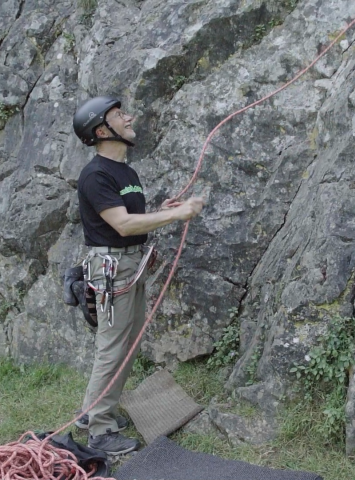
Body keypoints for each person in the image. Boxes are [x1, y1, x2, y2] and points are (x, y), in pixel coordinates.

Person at [72, 96, 204, 455]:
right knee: (112, 347)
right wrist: (178, 216)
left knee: (126, 343)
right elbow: (123, 224)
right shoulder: (95, 174)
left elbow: (131, 217)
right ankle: (100, 430)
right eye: (119, 115)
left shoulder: (126, 173)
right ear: (101, 130)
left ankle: (93, 412)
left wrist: (162, 211)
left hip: (131, 265)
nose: (129, 117)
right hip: (113, 269)